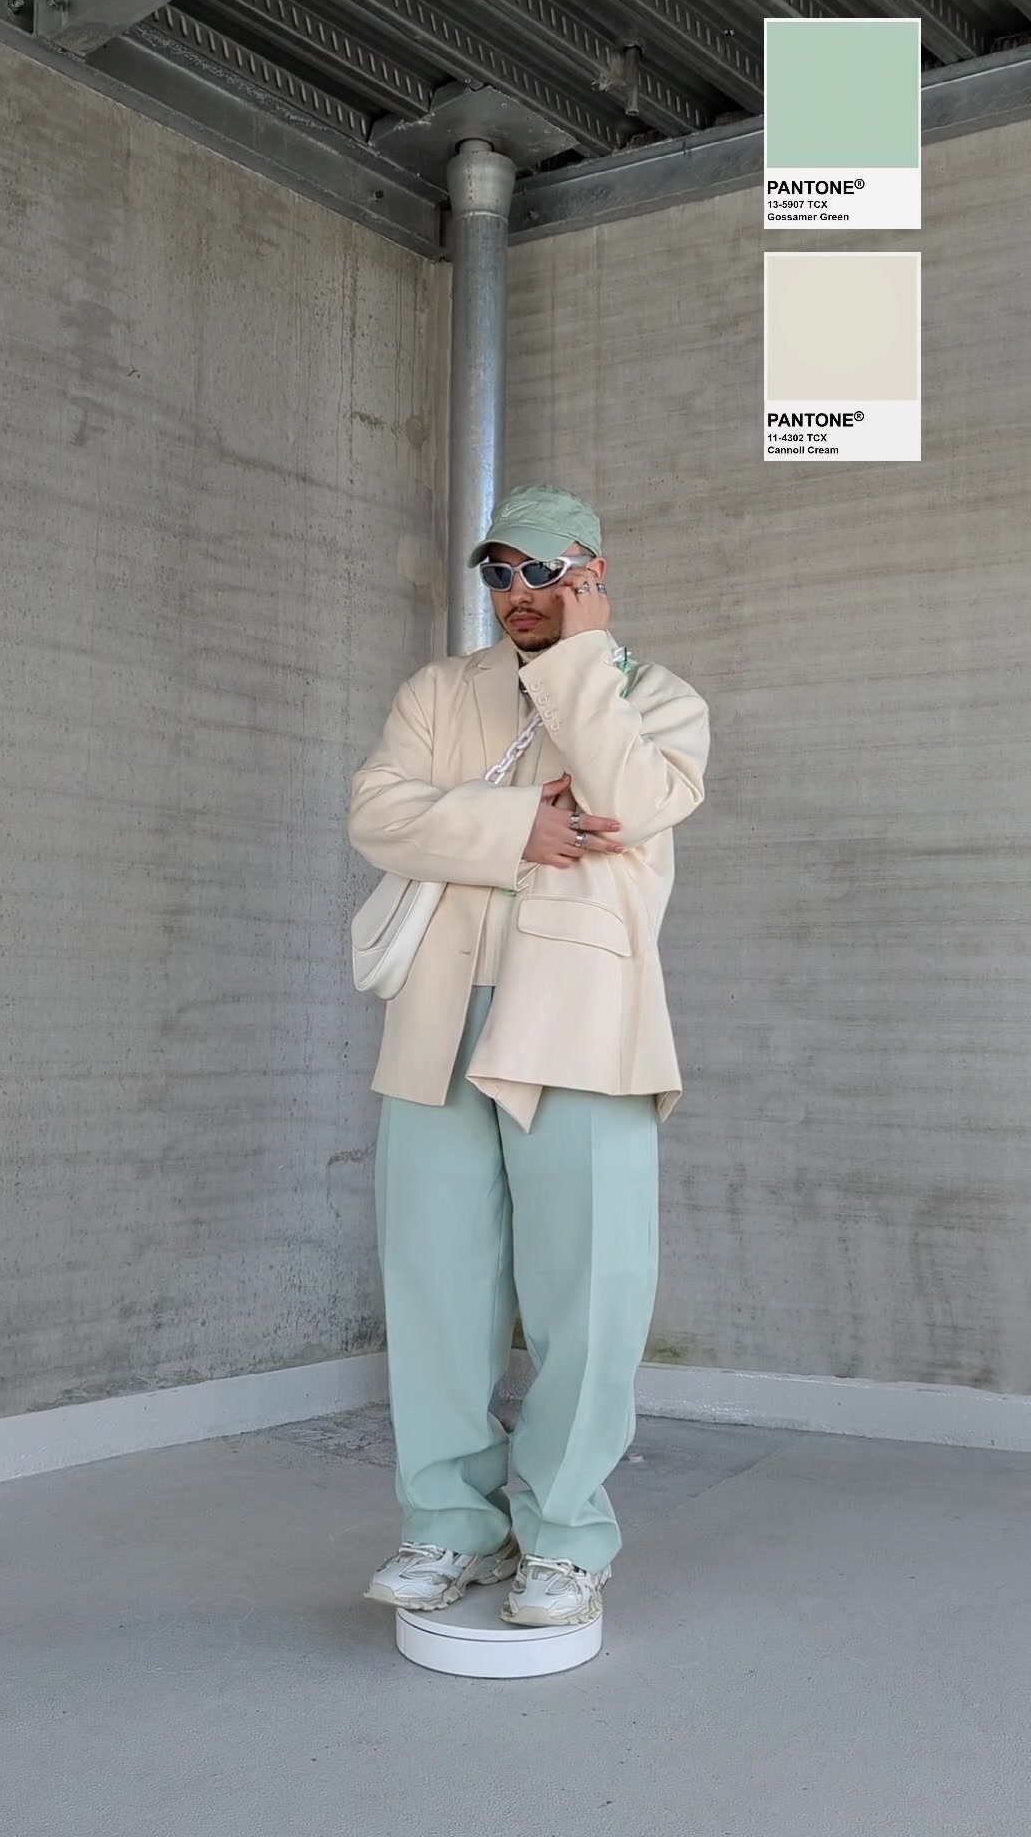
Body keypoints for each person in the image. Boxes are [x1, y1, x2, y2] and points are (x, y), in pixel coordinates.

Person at [348, 483, 710, 1629]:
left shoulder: (658, 698)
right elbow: (376, 813)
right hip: (437, 1019)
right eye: (499, 571)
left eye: (543, 571)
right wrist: (519, 829)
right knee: (435, 1285)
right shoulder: (439, 692)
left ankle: (563, 1537)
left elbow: (632, 802)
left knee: (589, 1292)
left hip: (585, 1020)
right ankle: (447, 1526)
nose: (517, 591)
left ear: (591, 574)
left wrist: (581, 666)